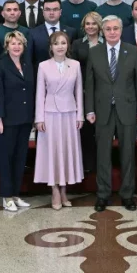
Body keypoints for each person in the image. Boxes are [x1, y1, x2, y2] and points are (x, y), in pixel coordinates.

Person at [85, 14, 137, 211]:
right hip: (102, 110)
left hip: (127, 109)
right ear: (103, 31)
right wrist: (89, 109)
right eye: (108, 29)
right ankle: (103, 195)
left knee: (128, 154)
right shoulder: (94, 52)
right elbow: (90, 83)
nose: (112, 32)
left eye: (115, 28)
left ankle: (128, 195)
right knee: (102, 154)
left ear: (121, 31)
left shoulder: (133, 51)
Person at [35, 31, 85, 210]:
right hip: (49, 114)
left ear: (68, 46)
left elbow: (78, 91)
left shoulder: (75, 65)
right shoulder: (43, 66)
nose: (60, 46)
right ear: (51, 47)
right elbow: (40, 93)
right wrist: (39, 118)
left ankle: (64, 189)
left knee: (66, 152)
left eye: (63, 43)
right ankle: (54, 189)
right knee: (53, 152)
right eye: (56, 43)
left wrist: (80, 115)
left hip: (70, 113)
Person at [0, 31, 36, 212]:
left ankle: (16, 194)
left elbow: (30, 93)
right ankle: (6, 196)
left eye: (19, 44)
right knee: (6, 159)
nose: (16, 47)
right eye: (13, 43)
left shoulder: (28, 65)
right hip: (6, 120)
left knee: (20, 158)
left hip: (24, 119)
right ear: (6, 46)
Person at [71, 12, 103, 172]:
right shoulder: (77, 44)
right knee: (85, 131)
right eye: (87, 24)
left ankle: (101, 165)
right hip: (83, 92)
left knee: (101, 131)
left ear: (99, 26)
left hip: (103, 92)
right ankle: (86, 166)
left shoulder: (106, 43)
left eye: (94, 24)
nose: (90, 27)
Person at [25, 0, 75, 70]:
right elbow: (29, 60)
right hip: (41, 77)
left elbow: (73, 58)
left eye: (55, 9)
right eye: (48, 9)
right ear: (43, 12)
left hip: (66, 76)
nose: (51, 13)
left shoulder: (71, 32)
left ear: (60, 12)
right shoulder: (32, 33)